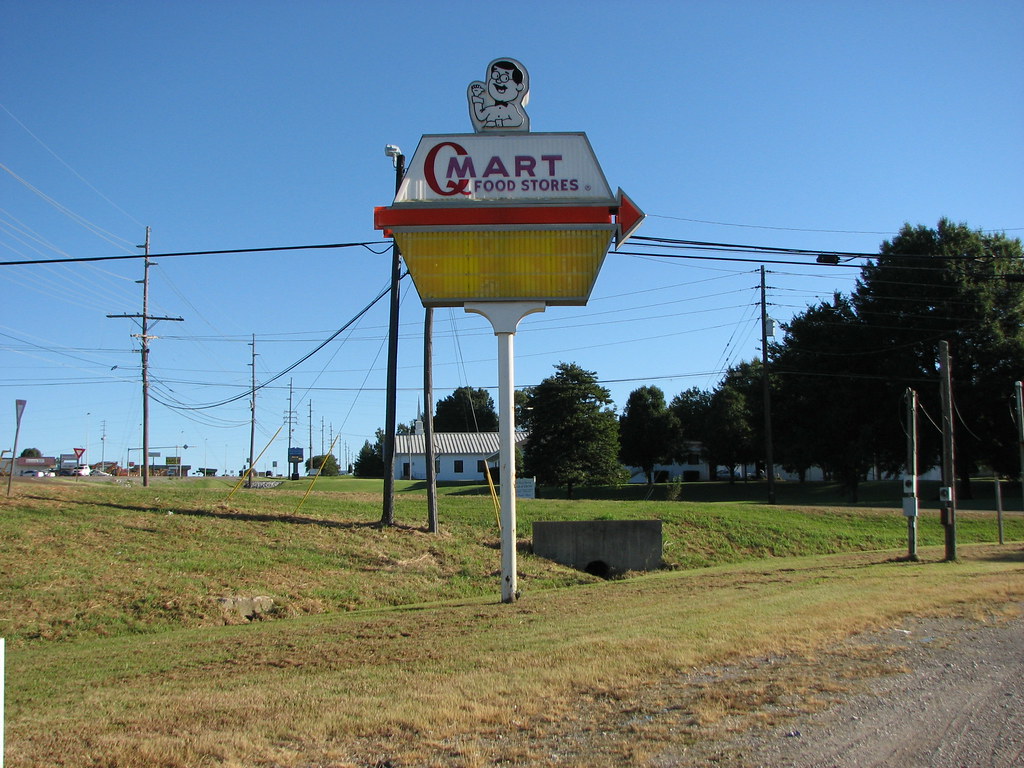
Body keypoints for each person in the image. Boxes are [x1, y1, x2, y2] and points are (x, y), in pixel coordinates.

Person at [468, 58, 530, 131]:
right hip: (487, 137)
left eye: (505, 78)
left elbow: (518, 121)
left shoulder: (511, 108)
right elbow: (480, 116)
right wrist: (477, 98)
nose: (499, 81)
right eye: (496, 75)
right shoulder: (490, 108)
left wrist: (499, 123)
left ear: (519, 86)